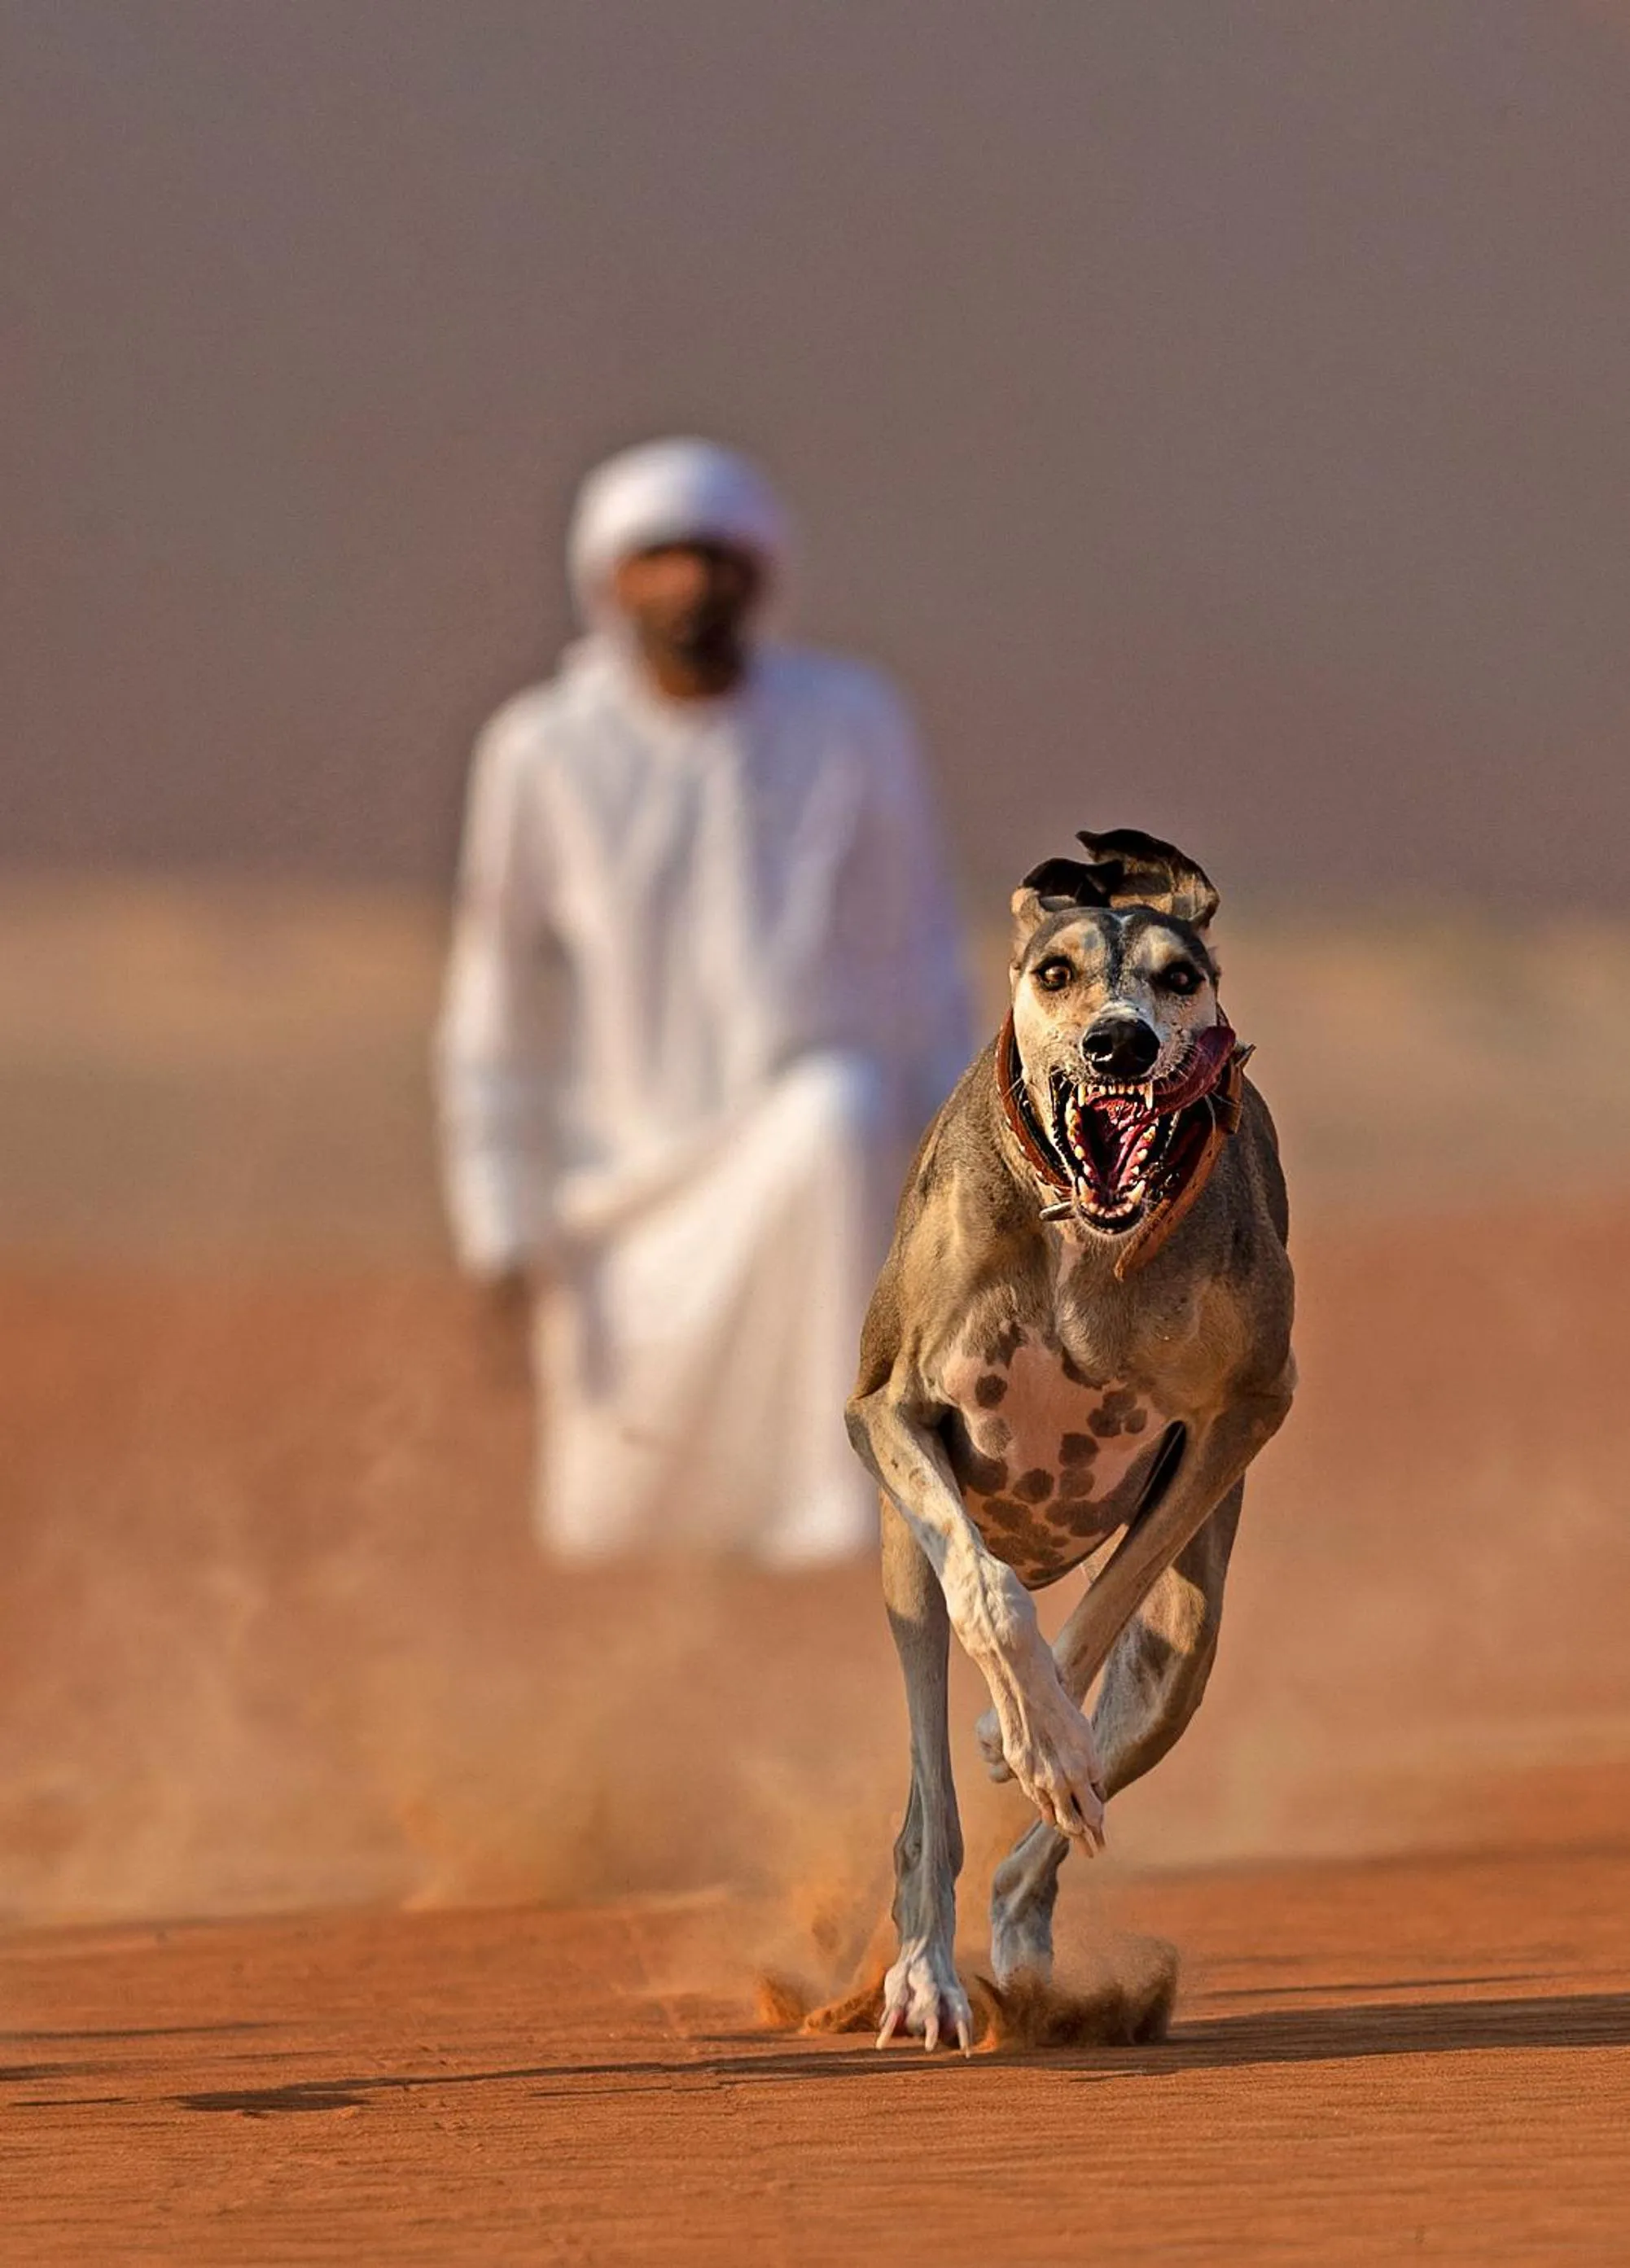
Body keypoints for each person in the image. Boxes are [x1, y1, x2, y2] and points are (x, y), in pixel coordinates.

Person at [436, 437, 971, 1564]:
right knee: (611, 1530)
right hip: (620, 1190)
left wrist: (971, 1188)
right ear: (608, 580)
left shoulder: (850, 726)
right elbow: (496, 1001)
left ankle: (839, 1550)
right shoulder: (539, 751)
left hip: (812, 1168)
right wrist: (497, 1220)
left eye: (714, 557)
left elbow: (920, 954)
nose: (687, 585)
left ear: (758, 574)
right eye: (658, 558)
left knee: (834, 1109)